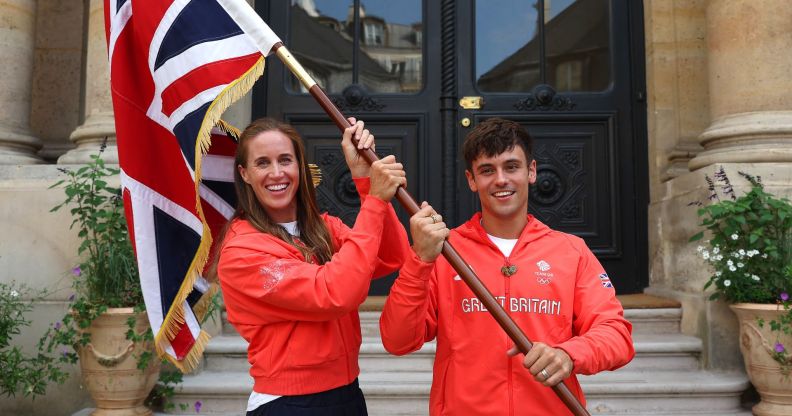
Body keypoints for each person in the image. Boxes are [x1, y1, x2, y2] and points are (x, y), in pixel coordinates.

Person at [380, 117, 635, 415]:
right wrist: (420, 260)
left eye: (511, 167)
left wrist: (568, 354)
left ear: (532, 172)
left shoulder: (571, 251)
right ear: (472, 180)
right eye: (487, 170)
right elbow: (397, 340)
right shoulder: (445, 252)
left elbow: (616, 335)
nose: (501, 179)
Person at [214, 117, 408, 416]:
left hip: (347, 392)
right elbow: (334, 293)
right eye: (263, 163)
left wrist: (365, 180)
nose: (276, 173)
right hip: (289, 403)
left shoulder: (322, 227)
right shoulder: (242, 251)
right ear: (246, 173)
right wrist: (376, 202)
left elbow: (390, 256)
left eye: (285, 160)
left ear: (300, 167)